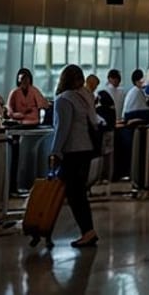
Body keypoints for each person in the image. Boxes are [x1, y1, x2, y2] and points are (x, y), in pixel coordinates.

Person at [49, 64, 99, 248]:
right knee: (79, 193)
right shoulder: (84, 97)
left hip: (72, 151)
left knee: (71, 193)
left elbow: (63, 128)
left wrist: (54, 151)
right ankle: (88, 230)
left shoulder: (64, 99)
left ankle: (85, 231)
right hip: (86, 149)